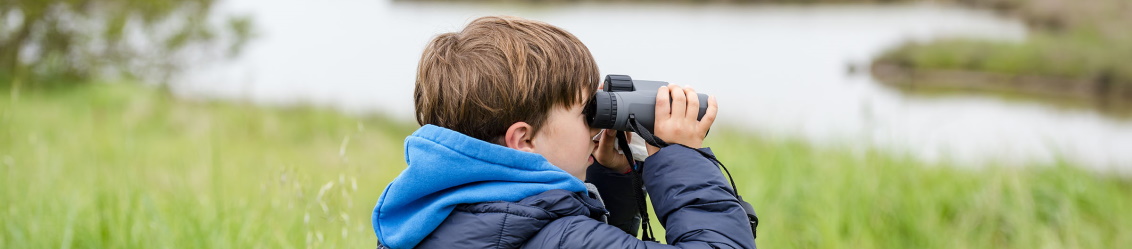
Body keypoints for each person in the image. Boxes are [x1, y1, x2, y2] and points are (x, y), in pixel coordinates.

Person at [371, 15, 755, 249]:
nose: (596, 122)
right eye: (585, 111)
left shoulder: (428, 216)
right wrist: (679, 157)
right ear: (523, 140)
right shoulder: (559, 237)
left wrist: (613, 177)